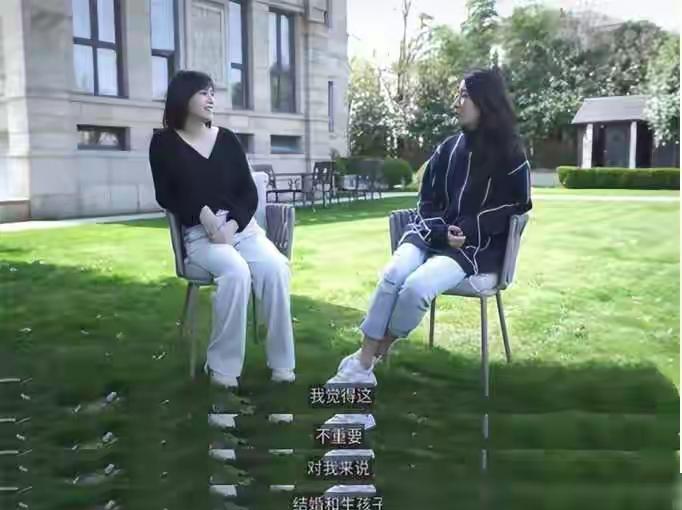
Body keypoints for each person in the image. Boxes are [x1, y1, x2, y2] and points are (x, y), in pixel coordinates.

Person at [326, 67, 532, 386]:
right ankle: (362, 365)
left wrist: (470, 230)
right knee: (392, 275)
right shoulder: (447, 149)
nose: (456, 103)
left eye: (464, 95)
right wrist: (440, 232)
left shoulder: (511, 155)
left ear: (485, 101)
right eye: (458, 95)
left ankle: (366, 359)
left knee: (416, 289)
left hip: (472, 250)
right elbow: (426, 201)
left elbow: (517, 207)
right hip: (428, 235)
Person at [148, 70, 296, 388]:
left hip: (241, 229)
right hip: (200, 236)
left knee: (275, 268)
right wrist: (203, 215)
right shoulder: (163, 143)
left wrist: (232, 224)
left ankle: (282, 364)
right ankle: (223, 370)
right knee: (236, 272)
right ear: (183, 97)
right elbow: (166, 194)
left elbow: (248, 193)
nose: (211, 98)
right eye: (203, 92)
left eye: (212, 92)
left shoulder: (226, 139)